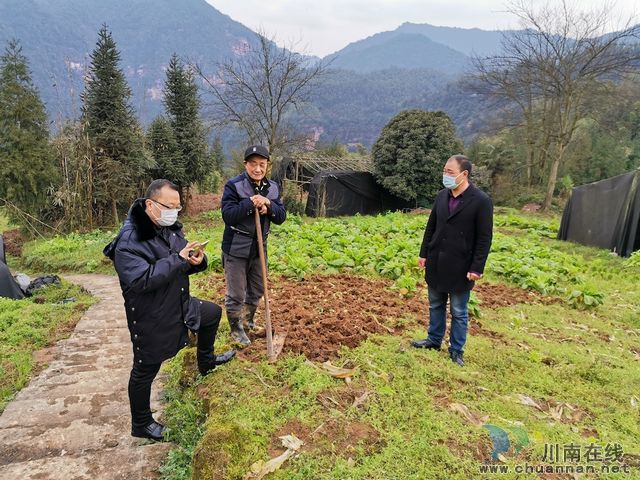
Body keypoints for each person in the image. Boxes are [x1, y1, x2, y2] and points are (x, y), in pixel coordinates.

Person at [104, 179, 235, 441]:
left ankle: (206, 363)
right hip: (151, 314)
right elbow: (142, 280)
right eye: (169, 206)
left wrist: (197, 260)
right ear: (150, 205)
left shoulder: (168, 228)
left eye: (178, 207)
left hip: (179, 303)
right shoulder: (130, 240)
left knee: (211, 313)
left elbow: (181, 259)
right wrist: (178, 259)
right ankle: (141, 423)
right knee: (145, 368)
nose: (174, 212)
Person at [411, 155, 493, 367]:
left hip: (461, 264)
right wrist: (424, 253)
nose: (445, 176)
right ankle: (433, 340)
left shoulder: (481, 201)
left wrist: (477, 267)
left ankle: (456, 350)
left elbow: (484, 238)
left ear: (464, 174)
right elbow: (431, 227)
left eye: (450, 172)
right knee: (435, 303)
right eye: (444, 171)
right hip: (437, 259)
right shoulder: (441, 196)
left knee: (458, 310)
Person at [221, 145, 286, 346]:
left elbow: (281, 216)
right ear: (245, 164)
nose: (257, 169)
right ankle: (235, 328)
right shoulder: (234, 185)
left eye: (262, 164)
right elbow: (228, 215)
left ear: (267, 165)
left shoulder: (273, 187)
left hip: (259, 247)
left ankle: (247, 320)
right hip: (236, 248)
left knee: (257, 288)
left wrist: (268, 205)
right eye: (253, 164)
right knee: (237, 293)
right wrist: (250, 203)